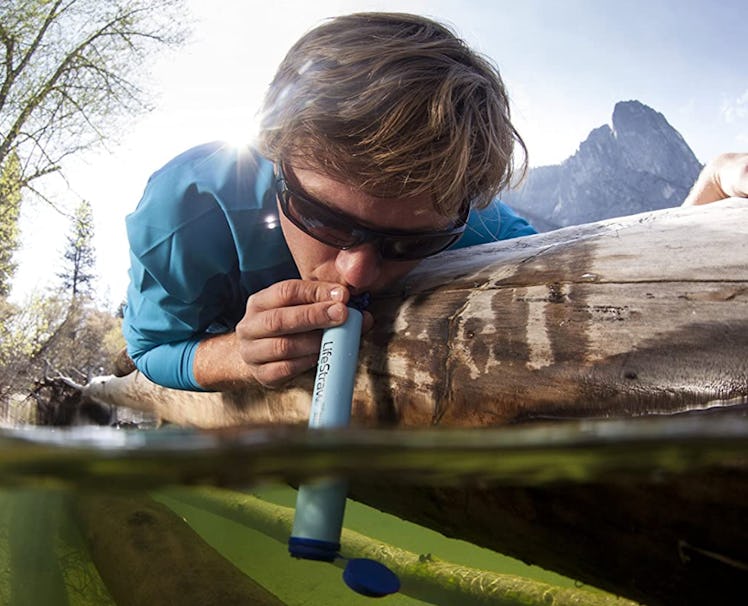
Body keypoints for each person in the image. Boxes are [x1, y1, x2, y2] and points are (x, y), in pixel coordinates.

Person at [122, 12, 747, 393]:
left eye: (409, 245)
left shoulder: (470, 224)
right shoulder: (185, 211)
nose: (357, 272)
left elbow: (581, 268)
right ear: (272, 149)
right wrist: (235, 354)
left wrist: (705, 203)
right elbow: (154, 350)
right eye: (322, 219)